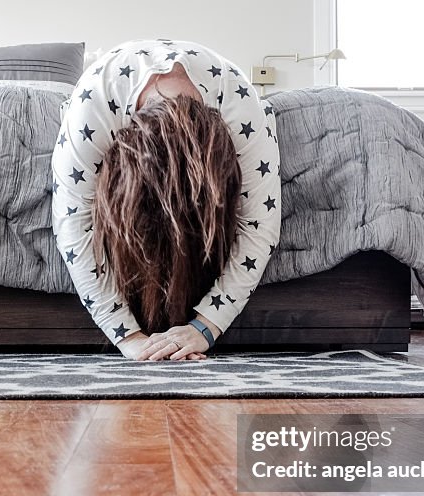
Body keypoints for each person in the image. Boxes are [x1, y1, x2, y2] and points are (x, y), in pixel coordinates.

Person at [51, 38, 280, 361]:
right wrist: (129, 338)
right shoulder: (93, 108)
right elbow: (72, 227)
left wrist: (205, 327)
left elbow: (260, 229)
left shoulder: (242, 112)